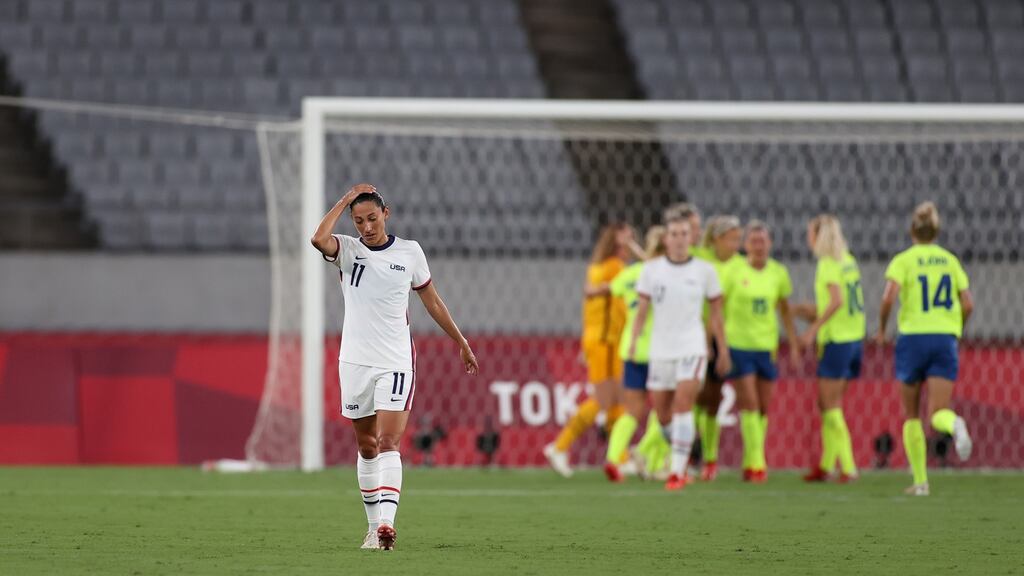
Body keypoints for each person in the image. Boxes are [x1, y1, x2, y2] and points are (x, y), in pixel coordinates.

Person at [310, 183, 479, 550]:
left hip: (395, 360)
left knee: (388, 442)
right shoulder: (347, 250)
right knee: (366, 446)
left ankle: (387, 523)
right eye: (359, 221)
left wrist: (460, 341)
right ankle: (372, 528)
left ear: (386, 214)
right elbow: (317, 238)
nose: (366, 227)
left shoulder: (410, 252)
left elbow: (432, 301)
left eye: (372, 218)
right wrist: (344, 200)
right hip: (354, 360)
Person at [876, 201, 974, 496]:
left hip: (913, 339)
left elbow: (888, 297)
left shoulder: (904, 260)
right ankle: (955, 424)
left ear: (911, 231)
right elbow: (968, 303)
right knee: (938, 412)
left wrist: (882, 329)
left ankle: (920, 482)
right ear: (937, 231)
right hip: (944, 338)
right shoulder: (949, 260)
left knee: (912, 414)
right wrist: (955, 329)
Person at [629, 214, 730, 491]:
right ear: (665, 238)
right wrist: (634, 341)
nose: (679, 238)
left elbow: (716, 315)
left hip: (691, 347)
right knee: (662, 412)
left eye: (684, 233)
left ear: (691, 238)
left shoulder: (705, 271)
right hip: (660, 348)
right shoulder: (651, 270)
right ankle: (686, 447)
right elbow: (642, 310)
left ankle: (677, 471)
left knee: (683, 405)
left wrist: (722, 349)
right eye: (673, 233)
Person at [544, 224, 641, 477]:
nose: (632, 246)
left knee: (615, 399)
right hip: (608, 341)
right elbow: (621, 308)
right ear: (620, 245)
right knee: (605, 399)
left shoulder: (596, 267)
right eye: (629, 241)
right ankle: (559, 446)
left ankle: (619, 456)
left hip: (597, 339)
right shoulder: (615, 268)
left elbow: (591, 308)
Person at [722, 221, 800, 483]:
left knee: (764, 408)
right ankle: (758, 462)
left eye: (762, 241)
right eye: (753, 241)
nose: (758, 245)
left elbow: (784, 310)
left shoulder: (778, 273)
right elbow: (718, 308)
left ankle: (749, 460)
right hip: (739, 345)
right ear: (746, 246)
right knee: (750, 403)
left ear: (770, 244)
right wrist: (720, 344)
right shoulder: (734, 272)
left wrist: (794, 342)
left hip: (767, 347)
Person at [795, 215, 865, 483]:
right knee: (828, 404)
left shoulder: (827, 264)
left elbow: (835, 302)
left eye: (809, 233)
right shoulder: (848, 260)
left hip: (837, 341)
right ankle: (826, 465)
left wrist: (812, 330)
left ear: (817, 236)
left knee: (829, 404)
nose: (807, 239)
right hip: (854, 339)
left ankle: (848, 467)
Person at [603, 225, 668, 482]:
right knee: (665, 409)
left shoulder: (631, 274)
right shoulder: (668, 276)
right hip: (660, 348)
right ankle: (650, 458)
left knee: (632, 410)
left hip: (632, 347)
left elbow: (608, 290)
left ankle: (613, 459)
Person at [691, 215, 743, 481]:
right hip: (689, 336)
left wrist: (722, 346)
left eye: (738, 239)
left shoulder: (739, 267)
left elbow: (722, 310)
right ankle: (670, 454)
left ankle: (709, 459)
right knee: (684, 397)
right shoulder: (696, 256)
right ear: (717, 239)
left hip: (720, 338)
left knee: (714, 399)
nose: (737, 244)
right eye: (733, 239)